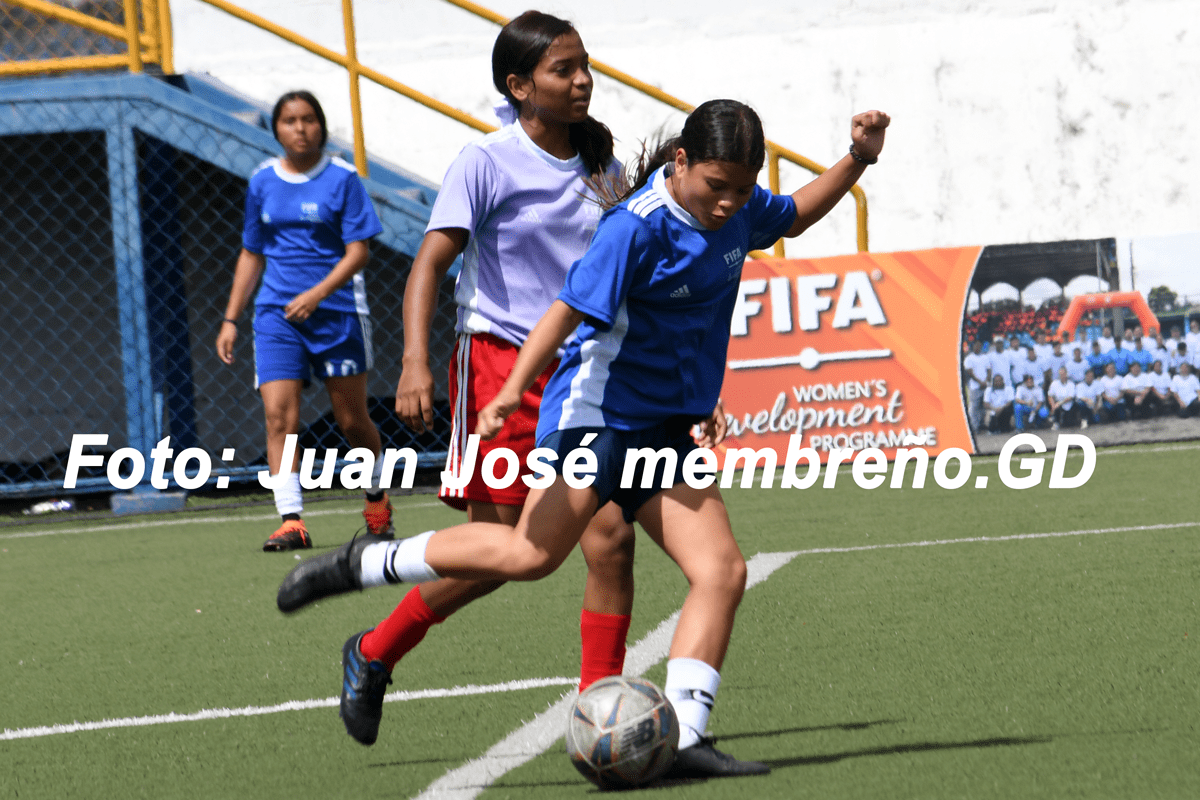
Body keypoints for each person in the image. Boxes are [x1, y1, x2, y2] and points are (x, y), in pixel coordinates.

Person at [279, 99, 891, 777]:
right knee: (528, 555)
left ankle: (684, 738)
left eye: (742, 190)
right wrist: (512, 391)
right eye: (717, 187)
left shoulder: (741, 210)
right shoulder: (635, 228)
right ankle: (367, 564)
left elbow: (796, 213)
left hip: (662, 429)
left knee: (721, 571)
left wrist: (858, 158)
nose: (728, 205)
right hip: (596, 419)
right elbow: (567, 309)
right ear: (682, 162)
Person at [339, 11, 646, 748]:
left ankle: (597, 714)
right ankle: (375, 649)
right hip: (501, 366)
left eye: (584, 66)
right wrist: (414, 362)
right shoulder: (486, 161)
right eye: (562, 70)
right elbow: (428, 266)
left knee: (609, 539)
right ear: (519, 85)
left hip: (582, 373)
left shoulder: (606, 170)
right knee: (499, 555)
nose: (581, 81)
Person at [216, 90, 392, 551]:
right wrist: (231, 318)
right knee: (279, 418)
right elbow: (252, 253)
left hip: (337, 314)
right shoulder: (261, 182)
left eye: (309, 119)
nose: (300, 128)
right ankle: (291, 520)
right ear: (276, 129)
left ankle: (376, 501)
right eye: (290, 120)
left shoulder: (343, 179)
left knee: (352, 420)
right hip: (277, 316)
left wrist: (316, 294)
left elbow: (359, 252)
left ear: (321, 125)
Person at [962, 339, 990, 430]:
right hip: (974, 386)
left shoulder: (985, 357)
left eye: (979, 345)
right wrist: (979, 382)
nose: (978, 347)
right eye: (976, 345)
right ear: (973, 346)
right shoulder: (969, 358)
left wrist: (985, 381)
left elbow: (989, 370)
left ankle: (982, 424)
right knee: (974, 407)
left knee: (983, 407)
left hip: (984, 386)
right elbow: (969, 372)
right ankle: (974, 426)